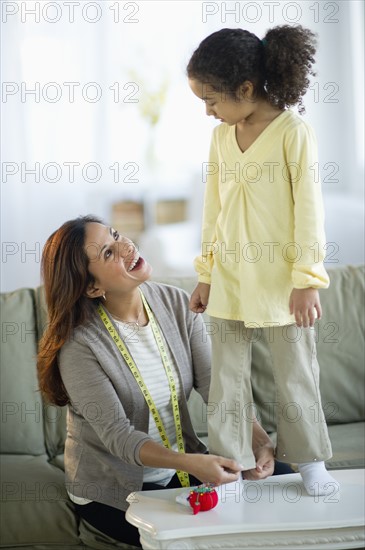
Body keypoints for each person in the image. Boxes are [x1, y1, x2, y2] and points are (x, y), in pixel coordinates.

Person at [37, 215, 284, 548]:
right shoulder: (80, 346)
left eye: (117, 235)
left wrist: (257, 443)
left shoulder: (176, 302)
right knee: (200, 538)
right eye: (109, 253)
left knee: (282, 480)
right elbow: (119, 437)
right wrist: (193, 463)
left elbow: (217, 387)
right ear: (93, 287)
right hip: (114, 490)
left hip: (180, 470)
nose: (127, 246)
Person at [187, 26, 339, 497]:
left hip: (282, 283)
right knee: (226, 383)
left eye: (211, 99)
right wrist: (206, 276)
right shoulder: (219, 139)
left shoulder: (294, 133)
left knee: (296, 373)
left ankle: (310, 461)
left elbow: (310, 212)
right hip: (230, 279)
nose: (207, 111)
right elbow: (214, 211)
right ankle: (232, 466)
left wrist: (307, 280)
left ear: (246, 89)